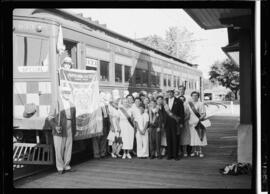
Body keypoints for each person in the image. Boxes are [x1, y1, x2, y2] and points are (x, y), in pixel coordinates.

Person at [48, 86, 76, 174]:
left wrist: (74, 129)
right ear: (61, 93)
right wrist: (55, 126)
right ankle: (60, 167)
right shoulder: (56, 103)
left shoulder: (72, 104)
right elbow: (50, 117)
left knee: (68, 147)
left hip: (69, 127)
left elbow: (74, 118)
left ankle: (67, 166)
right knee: (59, 148)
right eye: (65, 92)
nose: (67, 94)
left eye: (68, 92)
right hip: (59, 128)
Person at [164, 89, 185, 160]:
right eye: (168, 93)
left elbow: (182, 113)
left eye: (170, 93)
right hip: (167, 123)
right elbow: (163, 112)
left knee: (175, 139)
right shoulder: (165, 101)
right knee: (168, 139)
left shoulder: (179, 101)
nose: (169, 94)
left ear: (173, 93)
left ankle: (176, 155)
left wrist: (181, 123)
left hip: (176, 123)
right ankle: (170, 155)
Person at [188, 91, 207, 157]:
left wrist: (199, 120)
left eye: (196, 95)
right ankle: (194, 151)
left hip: (198, 122)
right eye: (193, 95)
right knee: (193, 137)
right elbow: (188, 114)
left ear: (198, 97)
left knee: (199, 136)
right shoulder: (189, 104)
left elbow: (204, 114)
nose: (194, 97)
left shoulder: (201, 104)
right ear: (191, 96)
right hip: (191, 123)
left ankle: (200, 151)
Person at [92, 92, 110, 159]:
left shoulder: (105, 104)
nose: (102, 97)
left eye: (103, 96)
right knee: (96, 139)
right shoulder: (94, 104)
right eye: (101, 96)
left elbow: (107, 115)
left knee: (103, 138)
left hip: (104, 123)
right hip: (96, 123)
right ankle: (97, 154)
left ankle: (102, 153)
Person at [107, 90, 122, 158]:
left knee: (118, 139)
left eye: (118, 99)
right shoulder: (110, 107)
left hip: (119, 124)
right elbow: (110, 118)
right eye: (116, 99)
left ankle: (116, 152)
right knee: (113, 139)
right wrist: (112, 126)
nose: (117, 100)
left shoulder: (118, 107)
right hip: (114, 124)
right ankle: (113, 152)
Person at [178, 85, 192, 156]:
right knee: (179, 135)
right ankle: (180, 150)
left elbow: (191, 109)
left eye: (182, 89)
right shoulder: (176, 97)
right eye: (180, 89)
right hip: (178, 121)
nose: (181, 90)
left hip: (186, 120)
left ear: (184, 90)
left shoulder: (188, 98)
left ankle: (187, 151)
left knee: (186, 136)